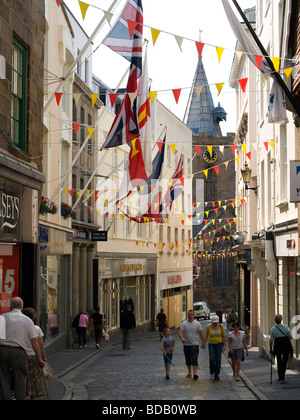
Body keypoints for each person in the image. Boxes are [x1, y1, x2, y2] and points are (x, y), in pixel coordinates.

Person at [0, 297, 44, 400]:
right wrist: (39, 358)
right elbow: (34, 341)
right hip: (18, 352)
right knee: (20, 379)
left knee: (3, 378)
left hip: (2, 350)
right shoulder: (27, 320)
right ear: (22, 307)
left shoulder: (2, 317)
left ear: (10, 306)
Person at [23, 307, 47, 400]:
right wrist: (43, 357)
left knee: (23, 377)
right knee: (34, 378)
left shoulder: (21, 328)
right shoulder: (36, 328)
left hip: (22, 354)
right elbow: (41, 345)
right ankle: (33, 397)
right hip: (33, 356)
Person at [179, 310, 206, 380]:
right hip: (186, 344)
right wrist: (182, 338)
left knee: (194, 359)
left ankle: (195, 374)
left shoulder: (197, 324)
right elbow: (180, 332)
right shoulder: (184, 323)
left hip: (195, 344)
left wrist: (204, 342)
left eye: (191, 314)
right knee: (188, 360)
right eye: (188, 314)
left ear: (193, 315)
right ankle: (189, 372)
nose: (190, 315)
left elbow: (201, 333)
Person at [269, 314, 293, 384]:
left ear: (275, 321)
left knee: (279, 360)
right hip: (285, 345)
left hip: (278, 345)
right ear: (281, 320)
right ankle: (283, 377)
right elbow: (290, 337)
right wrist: (285, 338)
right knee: (285, 361)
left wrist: (271, 349)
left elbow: (271, 340)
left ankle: (280, 377)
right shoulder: (286, 327)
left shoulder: (273, 329)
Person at [205, 315, 226, 381]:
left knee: (218, 359)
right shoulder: (208, 326)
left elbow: (223, 336)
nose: (215, 323)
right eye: (214, 322)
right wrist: (204, 343)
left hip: (219, 344)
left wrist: (224, 345)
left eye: (216, 322)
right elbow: (206, 336)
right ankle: (212, 372)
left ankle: (217, 375)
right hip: (211, 344)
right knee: (212, 359)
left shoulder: (221, 326)